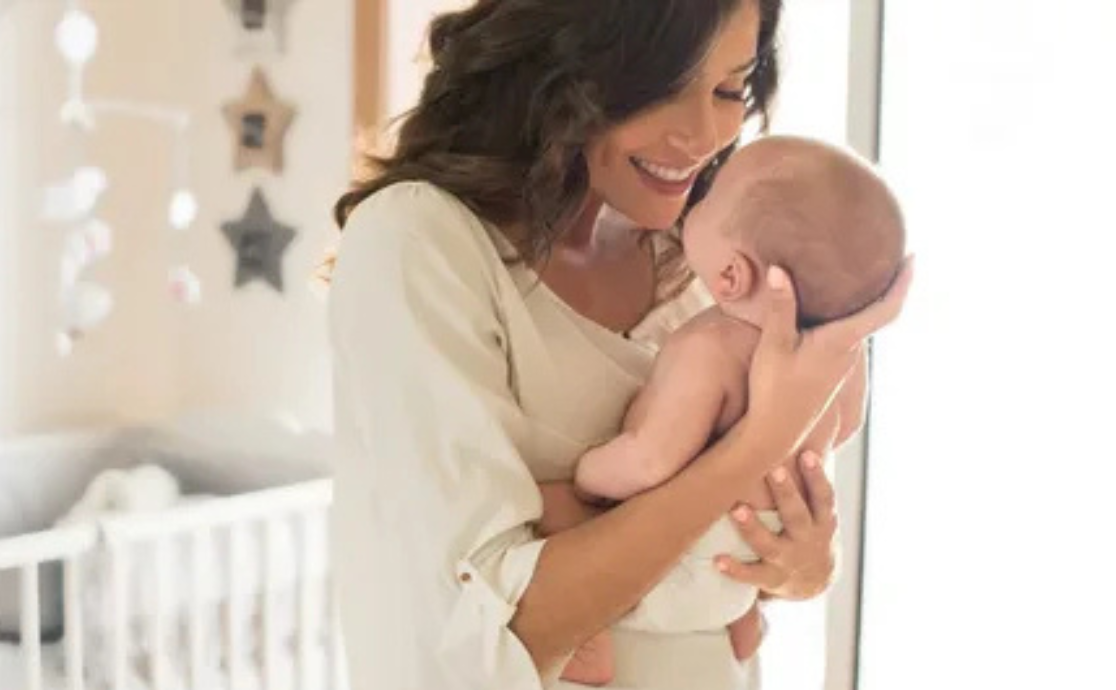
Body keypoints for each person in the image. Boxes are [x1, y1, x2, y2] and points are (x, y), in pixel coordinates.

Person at [326, 1, 913, 688]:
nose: (702, 135)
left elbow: (749, 539)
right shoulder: (420, 242)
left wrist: (805, 565)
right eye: (663, 86)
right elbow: (490, 626)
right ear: (562, 64)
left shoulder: (702, 260)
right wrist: (757, 445)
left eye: (730, 89)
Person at [556, 135, 907, 684]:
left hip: (679, 567)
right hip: (744, 571)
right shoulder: (828, 371)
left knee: (549, 508)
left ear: (731, 276)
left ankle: (588, 642)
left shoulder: (711, 347)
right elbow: (845, 427)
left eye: (713, 196)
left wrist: (587, 473)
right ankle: (745, 624)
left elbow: (651, 461)